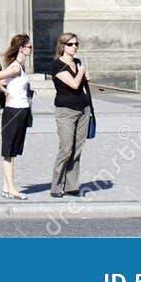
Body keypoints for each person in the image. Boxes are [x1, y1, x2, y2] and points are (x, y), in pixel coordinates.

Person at [0, 33, 34, 199]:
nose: (31, 49)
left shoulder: (20, 67)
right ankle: (12, 188)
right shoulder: (15, 68)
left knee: (13, 150)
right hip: (13, 111)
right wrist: (6, 92)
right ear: (21, 48)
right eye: (29, 46)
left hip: (22, 110)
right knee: (9, 152)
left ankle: (6, 187)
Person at [49, 32, 93, 198]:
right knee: (66, 149)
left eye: (76, 44)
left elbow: (82, 83)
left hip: (83, 109)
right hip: (65, 111)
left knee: (77, 149)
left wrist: (84, 75)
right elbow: (74, 84)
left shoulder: (77, 63)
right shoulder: (57, 65)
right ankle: (56, 186)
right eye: (71, 44)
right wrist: (82, 72)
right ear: (62, 46)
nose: (74, 47)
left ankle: (72, 186)